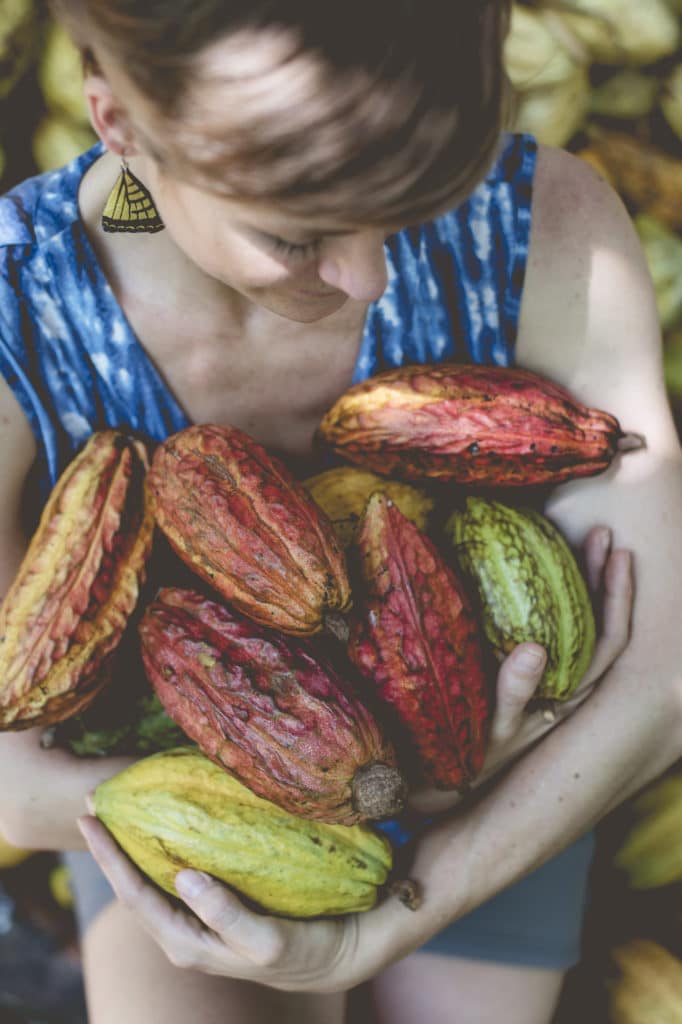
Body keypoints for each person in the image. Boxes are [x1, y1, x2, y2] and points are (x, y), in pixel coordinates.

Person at [0, 1, 678, 1021]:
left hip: (516, 775)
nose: (365, 275)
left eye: (414, 202)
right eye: (297, 232)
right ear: (119, 128)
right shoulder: (22, 300)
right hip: (175, 780)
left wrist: (401, 906)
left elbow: (665, 673)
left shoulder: (543, 221)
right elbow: (11, 775)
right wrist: (389, 779)